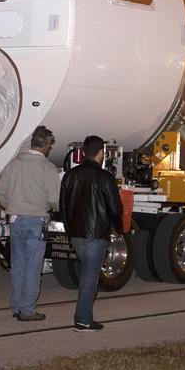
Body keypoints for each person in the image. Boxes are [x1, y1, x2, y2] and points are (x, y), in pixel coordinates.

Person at [59, 135, 124, 332]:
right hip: (96, 234)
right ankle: (83, 319)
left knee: (87, 273)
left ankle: (84, 317)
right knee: (90, 277)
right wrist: (118, 228)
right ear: (101, 153)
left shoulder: (70, 175)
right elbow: (115, 207)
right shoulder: (105, 177)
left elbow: (62, 207)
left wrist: (70, 231)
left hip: (76, 234)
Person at [0, 126, 60, 321]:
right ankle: (28, 310)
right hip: (36, 221)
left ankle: (16, 306)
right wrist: (51, 207)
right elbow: (54, 199)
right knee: (33, 267)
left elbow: (0, 192)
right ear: (47, 144)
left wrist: (12, 207)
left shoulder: (14, 164)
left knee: (18, 265)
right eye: (50, 145)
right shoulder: (47, 167)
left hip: (15, 220)